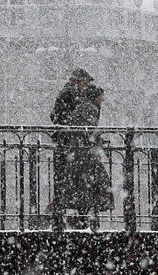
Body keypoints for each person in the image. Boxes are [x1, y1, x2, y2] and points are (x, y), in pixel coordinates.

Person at [65, 84, 113, 227]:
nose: (103, 99)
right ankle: (89, 217)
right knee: (96, 184)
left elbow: (84, 130)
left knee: (83, 185)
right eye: (101, 96)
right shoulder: (90, 108)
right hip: (84, 154)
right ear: (96, 97)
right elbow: (87, 131)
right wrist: (97, 141)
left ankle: (83, 216)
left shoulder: (85, 107)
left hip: (79, 152)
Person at [48, 68, 93, 222]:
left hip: (63, 139)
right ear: (80, 81)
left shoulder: (66, 90)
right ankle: (71, 216)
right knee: (72, 177)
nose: (85, 87)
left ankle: (60, 214)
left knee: (63, 177)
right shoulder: (72, 92)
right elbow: (71, 116)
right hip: (68, 140)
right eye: (85, 83)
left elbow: (54, 115)